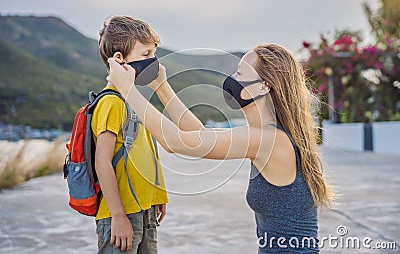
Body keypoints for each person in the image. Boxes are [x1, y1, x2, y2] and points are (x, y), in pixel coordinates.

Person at [107, 43, 334, 253]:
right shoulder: (265, 135)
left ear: (264, 87)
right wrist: (162, 87)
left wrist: (128, 90)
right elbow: (199, 135)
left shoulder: (269, 140)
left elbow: (175, 142)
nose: (231, 78)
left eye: (239, 73)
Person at [93, 15, 168, 254]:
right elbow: (102, 161)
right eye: (145, 55)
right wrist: (118, 216)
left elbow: (146, 149)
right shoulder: (111, 102)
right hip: (122, 213)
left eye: (154, 55)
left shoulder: (133, 99)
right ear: (119, 59)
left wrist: (159, 192)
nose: (152, 61)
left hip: (145, 210)